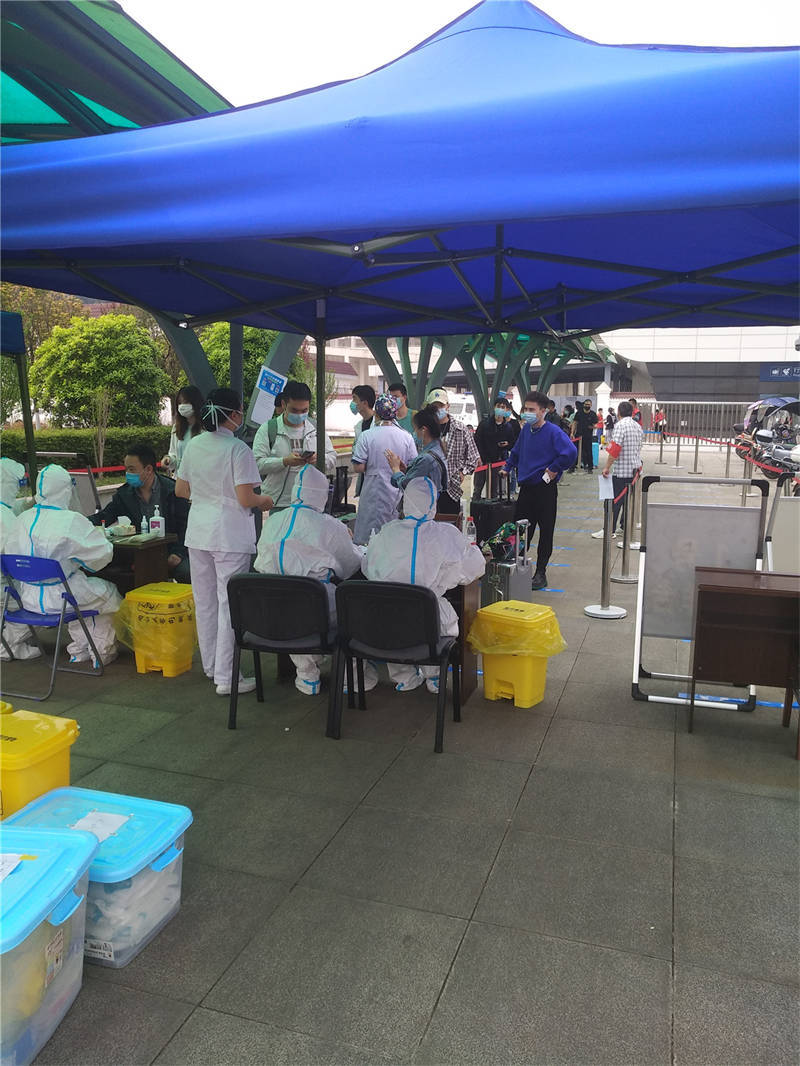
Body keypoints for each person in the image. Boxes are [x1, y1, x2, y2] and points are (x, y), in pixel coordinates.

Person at [176, 388, 274, 696]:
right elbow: (246, 497)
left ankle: (211, 667)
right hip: (229, 534)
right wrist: (264, 500)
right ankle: (227, 677)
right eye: (240, 411)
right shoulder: (238, 449)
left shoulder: (194, 444)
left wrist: (208, 497)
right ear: (232, 414)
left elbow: (181, 490)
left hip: (198, 531)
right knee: (228, 604)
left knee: (205, 602)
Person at [363, 477, 485, 692]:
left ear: (406, 501)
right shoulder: (445, 534)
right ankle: (435, 676)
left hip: (386, 624)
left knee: (392, 617)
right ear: (432, 503)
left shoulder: (388, 531)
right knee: (445, 623)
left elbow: (367, 566)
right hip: (429, 623)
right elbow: (474, 567)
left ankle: (404, 677)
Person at [255, 463, 365, 696]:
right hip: (316, 611)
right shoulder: (329, 526)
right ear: (322, 494)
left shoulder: (273, 521)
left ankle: (306, 674)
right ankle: (351, 678)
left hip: (269, 611)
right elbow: (351, 565)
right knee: (352, 609)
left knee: (294, 606)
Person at [5, 464, 122, 665]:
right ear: (66, 490)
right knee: (107, 594)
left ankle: (79, 649)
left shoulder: (22, 519)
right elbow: (101, 555)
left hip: (29, 598)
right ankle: (100, 651)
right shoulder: (70, 520)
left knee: (83, 593)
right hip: (62, 597)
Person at [501, 391, 577, 590]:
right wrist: (507, 467)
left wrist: (554, 468)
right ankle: (516, 565)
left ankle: (541, 572)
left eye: (531, 409)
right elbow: (516, 451)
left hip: (544, 488)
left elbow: (570, 452)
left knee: (546, 530)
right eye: (525, 409)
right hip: (526, 488)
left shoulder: (553, 432)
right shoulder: (526, 430)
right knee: (520, 528)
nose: (527, 412)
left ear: (543, 411)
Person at [89, 444, 190, 582]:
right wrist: (79, 522)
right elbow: (105, 516)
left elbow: (186, 525)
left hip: (171, 551)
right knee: (98, 566)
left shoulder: (172, 491)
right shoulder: (124, 494)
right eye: (126, 469)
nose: (127, 474)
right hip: (139, 552)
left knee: (187, 572)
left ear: (148, 469)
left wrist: (178, 553)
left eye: (132, 469)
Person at [252, 380, 337, 512]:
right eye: (294, 410)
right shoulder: (268, 429)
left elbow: (332, 457)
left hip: (311, 501)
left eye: (304, 410)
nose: (299, 415)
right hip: (279, 502)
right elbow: (257, 464)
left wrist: (319, 459)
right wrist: (284, 462)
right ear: (283, 404)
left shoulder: (316, 428)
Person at [351, 394, 417, 544]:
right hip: (397, 494)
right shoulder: (407, 437)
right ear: (395, 413)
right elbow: (413, 467)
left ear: (376, 413)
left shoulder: (366, 436)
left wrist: (374, 463)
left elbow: (358, 467)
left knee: (370, 540)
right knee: (394, 539)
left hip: (373, 493)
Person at [0, 458, 40, 661]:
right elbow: (19, 556)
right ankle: (8, 645)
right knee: (44, 600)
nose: (17, 489)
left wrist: (28, 503)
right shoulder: (4, 517)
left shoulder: (4, 511)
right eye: (15, 484)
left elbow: (12, 507)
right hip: (4, 588)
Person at [592, 401, 645, 540]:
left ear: (619, 412)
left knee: (612, 502)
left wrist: (607, 467)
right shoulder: (637, 426)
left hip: (621, 471)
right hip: (635, 471)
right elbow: (640, 445)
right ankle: (623, 526)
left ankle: (609, 529)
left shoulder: (620, 426)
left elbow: (615, 449)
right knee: (627, 502)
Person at [425, 388, 480, 514]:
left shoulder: (460, 429)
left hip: (451, 489)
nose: (438, 409)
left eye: (441, 406)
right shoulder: (424, 429)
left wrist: (462, 473)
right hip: (428, 488)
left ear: (448, 406)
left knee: (450, 522)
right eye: (434, 407)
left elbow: (473, 457)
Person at [386, 407, 448, 494]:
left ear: (423, 430)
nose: (414, 433)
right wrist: (408, 470)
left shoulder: (427, 459)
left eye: (415, 429)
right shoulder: (438, 448)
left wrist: (395, 469)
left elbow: (407, 485)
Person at [472, 397, 519, 500]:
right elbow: (476, 441)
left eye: (503, 407)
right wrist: (478, 457)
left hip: (497, 462)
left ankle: (492, 509)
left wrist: (506, 445)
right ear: (494, 407)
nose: (500, 409)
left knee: (494, 491)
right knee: (477, 489)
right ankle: (476, 508)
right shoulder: (484, 424)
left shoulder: (508, 427)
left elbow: (512, 443)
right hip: (482, 461)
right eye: (498, 406)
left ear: (506, 409)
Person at [165, 386, 204, 476]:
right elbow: (174, 456)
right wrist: (169, 460)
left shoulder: (205, 429)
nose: (182, 406)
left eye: (186, 402)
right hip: (180, 478)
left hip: (199, 478)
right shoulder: (176, 428)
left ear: (195, 403)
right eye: (179, 403)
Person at [572, 399, 598, 472]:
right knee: (575, 451)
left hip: (588, 436)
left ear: (591, 405)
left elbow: (595, 425)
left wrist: (592, 427)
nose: (587, 406)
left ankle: (589, 468)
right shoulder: (579, 413)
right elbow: (575, 423)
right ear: (584, 405)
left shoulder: (593, 414)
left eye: (588, 404)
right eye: (586, 404)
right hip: (578, 435)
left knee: (588, 452)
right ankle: (572, 467)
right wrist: (572, 433)